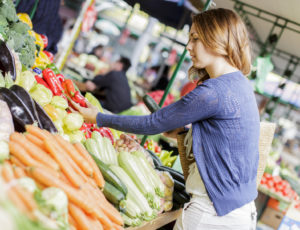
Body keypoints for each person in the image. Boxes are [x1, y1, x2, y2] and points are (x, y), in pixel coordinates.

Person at [72, 8, 260, 230]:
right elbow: (226, 140)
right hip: (242, 212)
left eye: (195, 38)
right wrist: (186, 132)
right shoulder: (241, 85)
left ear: (216, 39)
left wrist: (99, 118)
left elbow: (153, 123)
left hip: (211, 215)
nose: (188, 47)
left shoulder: (213, 92)